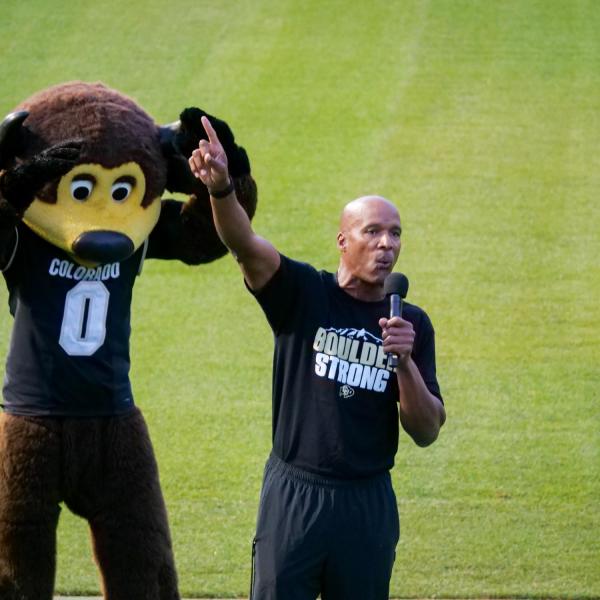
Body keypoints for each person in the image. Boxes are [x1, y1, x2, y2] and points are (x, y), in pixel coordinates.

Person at [189, 117, 446, 600]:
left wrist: (405, 363)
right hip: (295, 494)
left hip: (366, 501)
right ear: (343, 241)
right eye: (373, 232)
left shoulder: (410, 323)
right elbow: (243, 245)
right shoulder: (304, 293)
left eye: (395, 234)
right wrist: (222, 189)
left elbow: (427, 430)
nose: (387, 244)